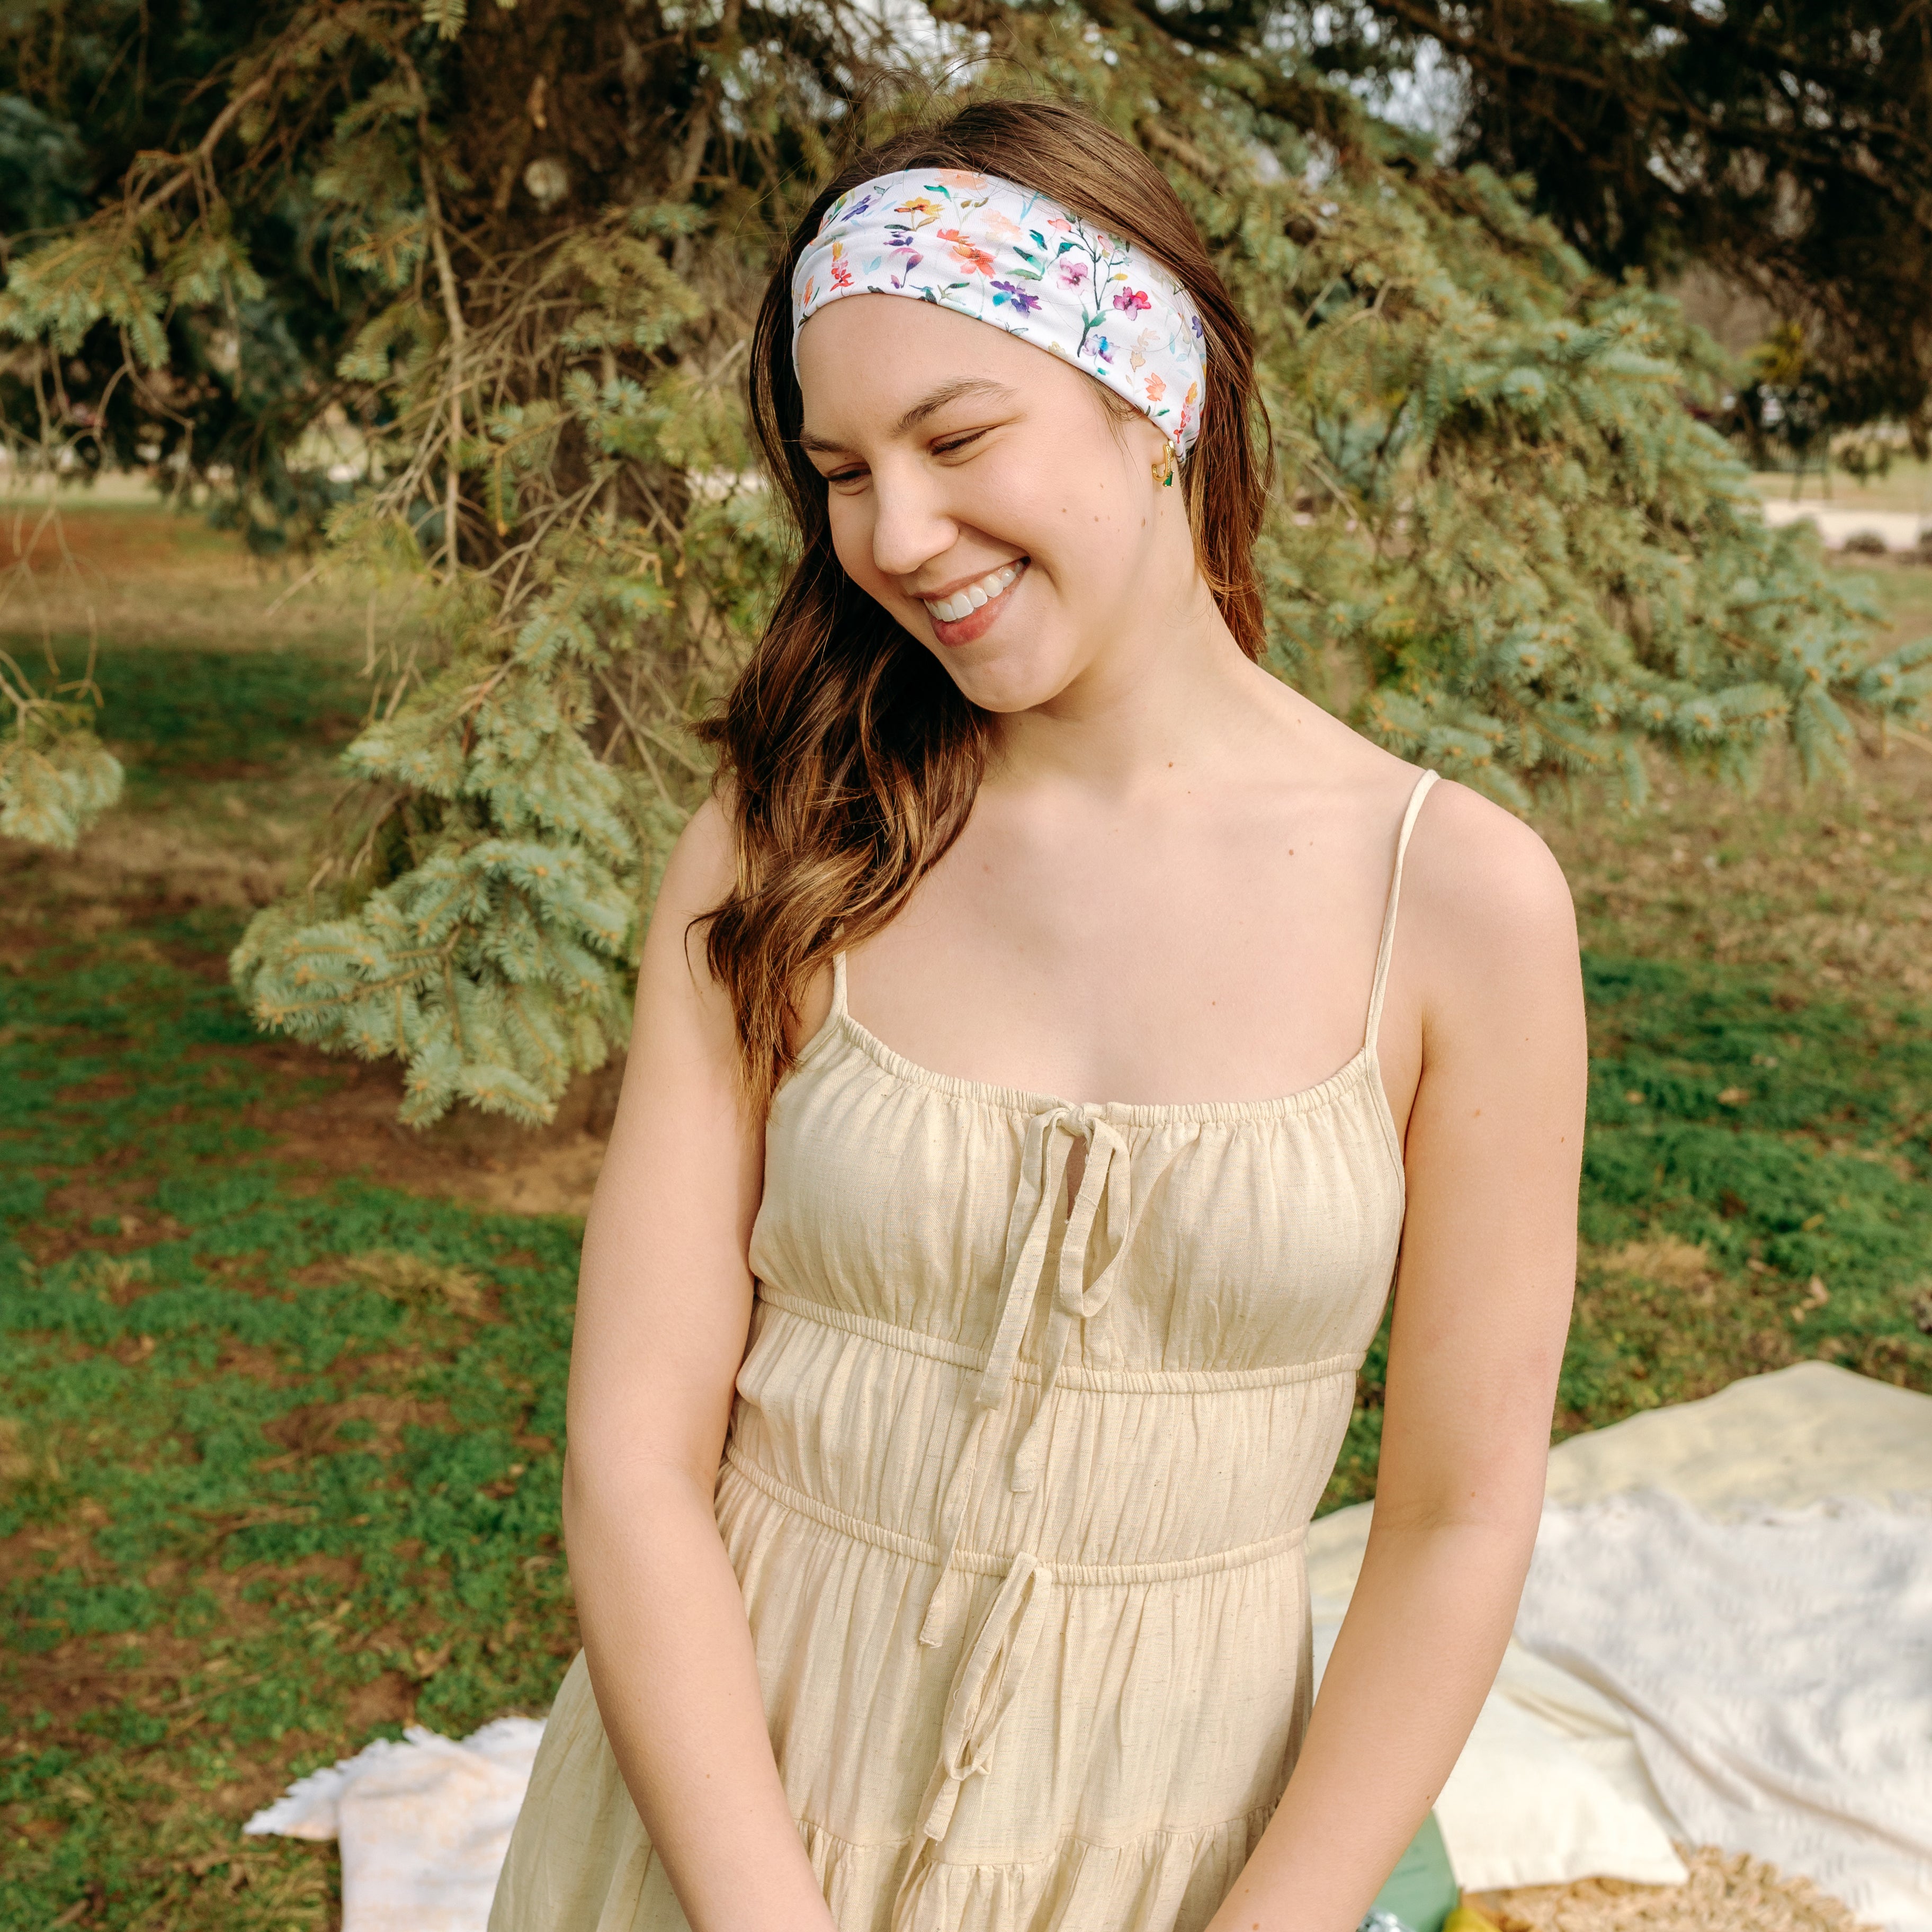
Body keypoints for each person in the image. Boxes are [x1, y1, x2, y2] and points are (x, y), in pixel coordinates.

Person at [489, 94, 1586, 1932]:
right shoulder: (785, 842)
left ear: (1157, 401)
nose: (896, 535)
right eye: (841, 470)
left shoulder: (1456, 902)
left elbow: (1461, 1516)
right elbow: (633, 1454)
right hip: (727, 1828)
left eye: (957, 435)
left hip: (1177, 1855)